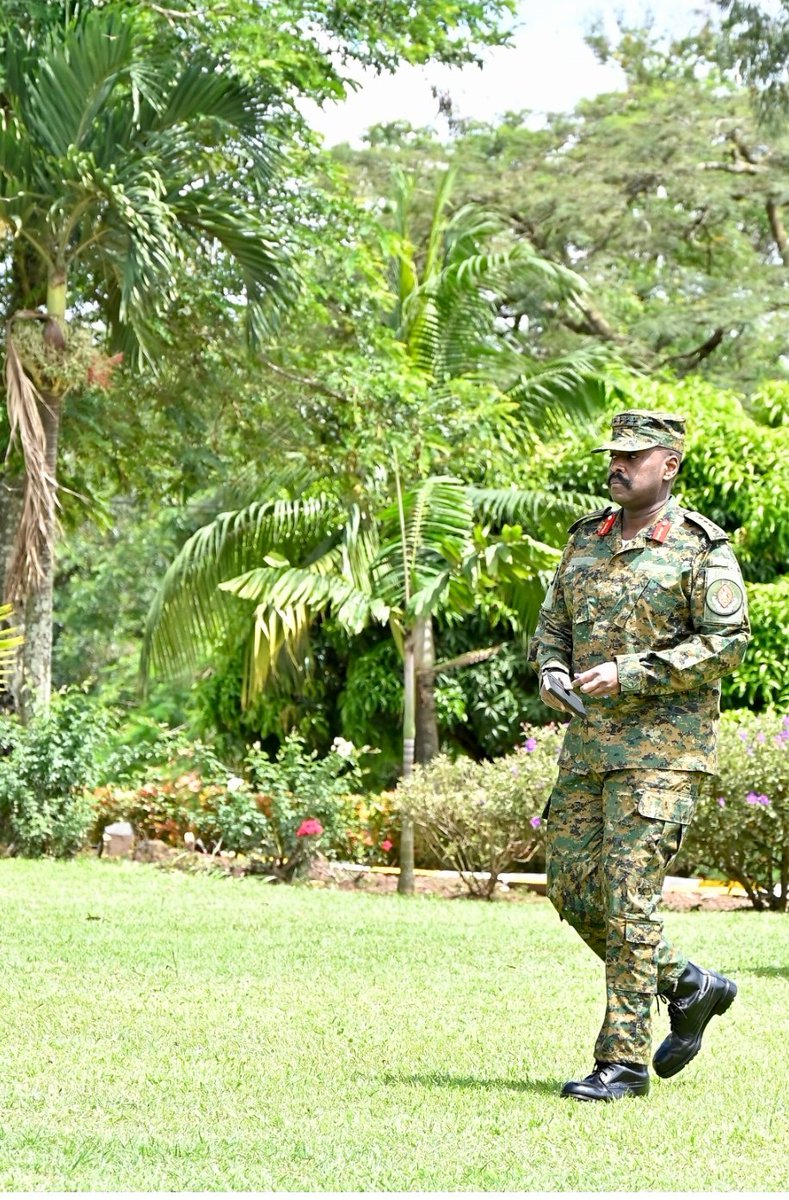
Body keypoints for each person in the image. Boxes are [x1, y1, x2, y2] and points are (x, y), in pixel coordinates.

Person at [531, 409, 750, 1102]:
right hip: (587, 749)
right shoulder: (584, 541)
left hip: (662, 753)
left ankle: (620, 1065)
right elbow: (552, 627)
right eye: (614, 455)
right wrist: (550, 671)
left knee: (629, 904)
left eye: (634, 456)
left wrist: (631, 671)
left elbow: (726, 644)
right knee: (570, 889)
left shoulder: (698, 548)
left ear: (668, 467)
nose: (618, 465)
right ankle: (689, 984)